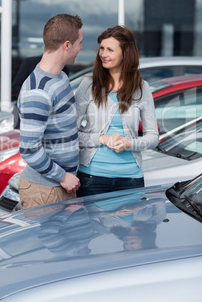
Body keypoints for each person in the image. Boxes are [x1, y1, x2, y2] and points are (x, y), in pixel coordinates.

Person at [75, 25, 159, 197]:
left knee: (128, 225)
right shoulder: (88, 86)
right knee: (89, 225)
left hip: (130, 180)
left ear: (125, 53)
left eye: (110, 50)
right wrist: (101, 139)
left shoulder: (142, 88)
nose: (103, 54)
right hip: (92, 178)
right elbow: (72, 133)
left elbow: (153, 137)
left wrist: (130, 144)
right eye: (101, 48)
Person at [17, 13, 83, 209]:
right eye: (80, 42)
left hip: (63, 185)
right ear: (67, 45)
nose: (81, 48)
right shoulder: (38, 91)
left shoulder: (60, 77)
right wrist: (62, 177)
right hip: (45, 190)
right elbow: (29, 149)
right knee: (48, 242)